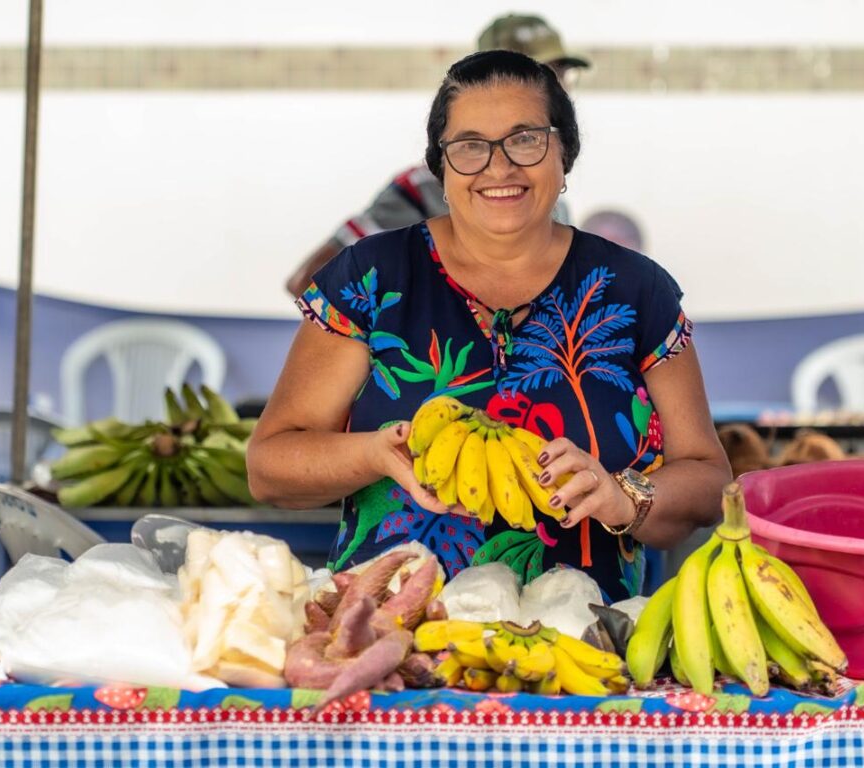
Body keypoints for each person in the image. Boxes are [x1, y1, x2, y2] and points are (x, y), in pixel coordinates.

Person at [248, 49, 731, 602]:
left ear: (564, 155)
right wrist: (373, 453)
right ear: (441, 167)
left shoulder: (636, 289)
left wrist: (628, 496)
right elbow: (270, 467)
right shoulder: (371, 276)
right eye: (470, 146)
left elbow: (707, 478)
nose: (499, 168)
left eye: (526, 139)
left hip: (584, 649)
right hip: (388, 643)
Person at [283, 14, 590, 298]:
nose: (555, 91)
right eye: (535, 78)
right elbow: (309, 283)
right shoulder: (421, 190)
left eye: (558, 77)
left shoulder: (554, 205)